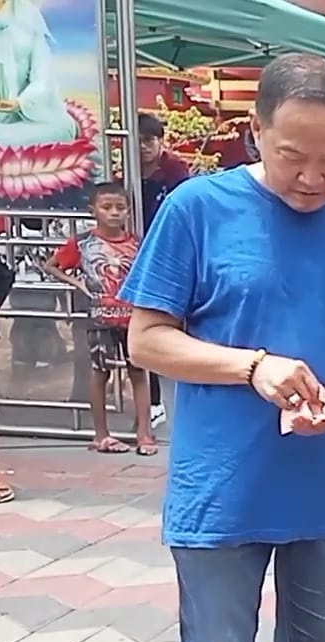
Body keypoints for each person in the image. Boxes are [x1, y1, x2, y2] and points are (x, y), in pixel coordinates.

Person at [118, 54, 325, 642]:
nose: (313, 178)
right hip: (224, 480)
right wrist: (253, 367)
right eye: (292, 156)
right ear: (255, 132)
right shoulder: (198, 209)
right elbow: (147, 339)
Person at [44, 183, 156, 455]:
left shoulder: (137, 243)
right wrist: (78, 285)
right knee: (100, 372)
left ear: (128, 210)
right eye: (107, 207)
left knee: (138, 372)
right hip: (99, 318)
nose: (114, 213)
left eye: (120, 207)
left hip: (132, 318)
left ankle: (144, 434)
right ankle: (101, 435)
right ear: (93, 210)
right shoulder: (83, 243)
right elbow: (51, 265)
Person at [137, 111, 191, 428]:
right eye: (139, 141)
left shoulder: (174, 172)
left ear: (160, 142)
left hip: (170, 247)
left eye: (149, 141)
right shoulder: (125, 173)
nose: (144, 148)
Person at [0, 0, 79, 147]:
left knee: (64, 127)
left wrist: (20, 103)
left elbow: (42, 76)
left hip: (23, 117)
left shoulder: (29, 15)